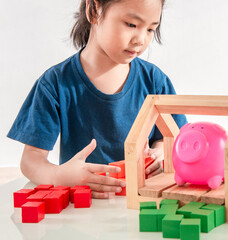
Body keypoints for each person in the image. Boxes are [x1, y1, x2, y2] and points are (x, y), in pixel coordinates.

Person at [7, 0, 187, 198]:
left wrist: (160, 154)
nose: (141, 40)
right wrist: (59, 176)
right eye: (131, 25)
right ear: (93, 10)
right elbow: (31, 160)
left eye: (151, 29)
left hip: (141, 204)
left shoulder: (155, 81)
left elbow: (172, 139)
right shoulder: (55, 83)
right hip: (83, 209)